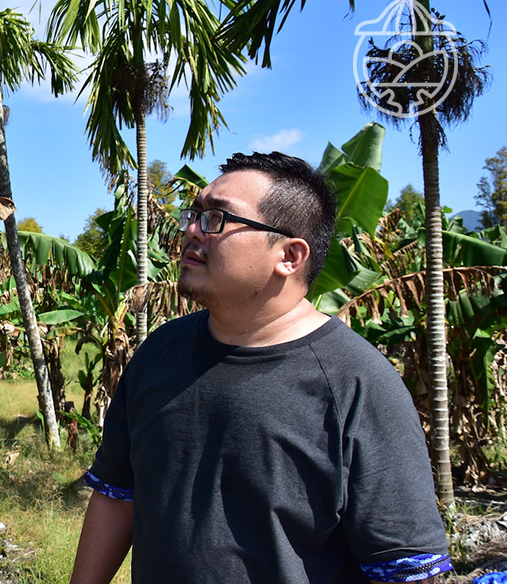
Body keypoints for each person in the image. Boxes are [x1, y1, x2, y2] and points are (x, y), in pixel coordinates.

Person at [71, 152, 450, 583]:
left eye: (217, 219)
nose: (192, 230)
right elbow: (117, 496)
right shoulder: (159, 353)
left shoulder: (356, 383)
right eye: (193, 215)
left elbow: (404, 568)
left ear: (289, 255)